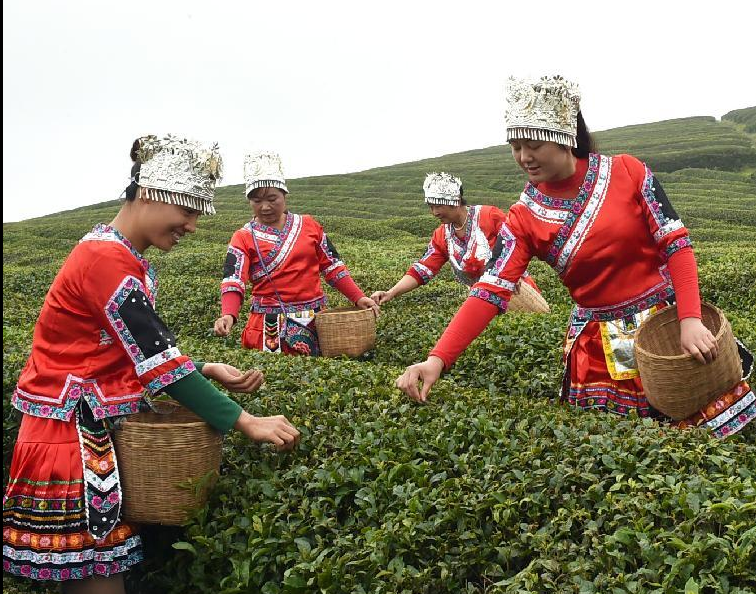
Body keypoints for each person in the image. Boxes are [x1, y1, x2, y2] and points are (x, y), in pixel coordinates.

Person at [2, 135, 300, 594]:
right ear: (152, 195)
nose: (193, 226)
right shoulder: (106, 259)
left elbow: (124, 352)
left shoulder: (119, 254)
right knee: (99, 579)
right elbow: (159, 361)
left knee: (94, 575)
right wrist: (244, 420)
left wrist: (203, 367)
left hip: (81, 430)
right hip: (70, 437)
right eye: (189, 210)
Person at [395, 75, 754, 438]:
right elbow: (490, 290)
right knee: (626, 455)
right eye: (515, 146)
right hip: (599, 348)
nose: (523, 157)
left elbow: (676, 244)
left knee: (705, 440)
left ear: (565, 136)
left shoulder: (628, 171)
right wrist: (438, 358)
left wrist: (691, 318)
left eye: (532, 144)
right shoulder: (522, 218)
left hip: (668, 325)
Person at [214, 151, 379, 355]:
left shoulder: (309, 225)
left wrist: (358, 297)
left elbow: (333, 267)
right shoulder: (243, 237)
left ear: (285, 195)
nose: (265, 207)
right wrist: (228, 314)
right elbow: (233, 280)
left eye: (272, 198)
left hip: (315, 322)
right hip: (268, 327)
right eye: (256, 201)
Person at [369, 172, 542, 307]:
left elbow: (519, 244)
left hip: (519, 293)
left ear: (455, 202)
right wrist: (391, 292)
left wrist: (514, 274)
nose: (434, 212)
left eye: (438, 206)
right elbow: (422, 269)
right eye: (431, 207)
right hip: (482, 300)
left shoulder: (489, 216)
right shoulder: (441, 235)